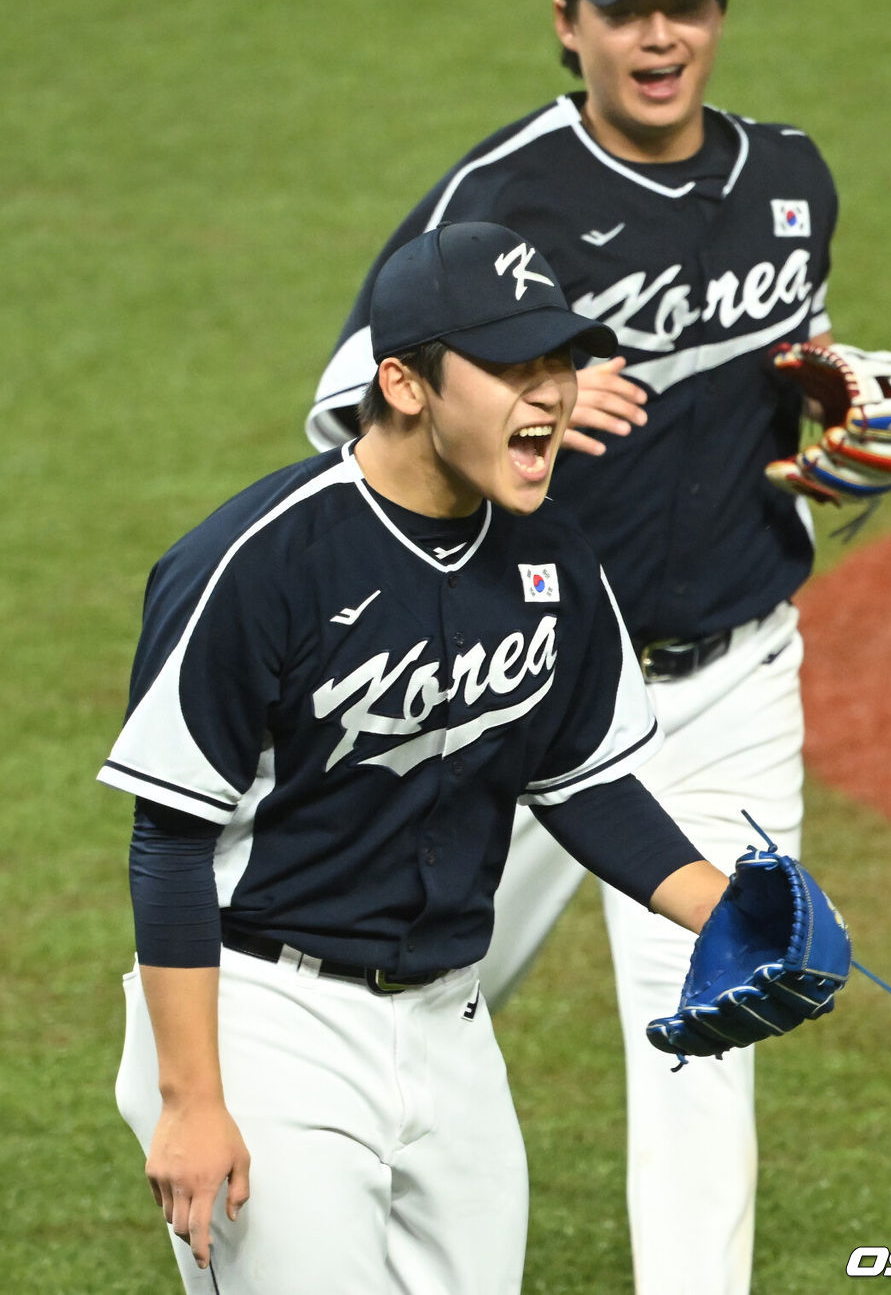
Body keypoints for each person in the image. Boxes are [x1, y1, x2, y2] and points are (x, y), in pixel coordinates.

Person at [303, 0, 858, 1295]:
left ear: (718, 17)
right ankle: (310, 1214)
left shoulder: (791, 181)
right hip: (535, 678)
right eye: (626, 13)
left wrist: (846, 433)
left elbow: (791, 376)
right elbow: (343, 410)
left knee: (713, 1010)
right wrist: (532, 405)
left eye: (684, 5)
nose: (658, 37)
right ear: (571, 27)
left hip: (735, 677)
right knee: (421, 983)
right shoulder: (501, 200)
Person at [100, 220, 738, 1295]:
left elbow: (585, 783)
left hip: (452, 1022)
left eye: (560, 361)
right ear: (405, 383)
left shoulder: (553, 557)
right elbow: (168, 840)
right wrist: (191, 1098)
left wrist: (729, 913)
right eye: (509, 367)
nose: (550, 393)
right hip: (269, 1022)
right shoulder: (259, 560)